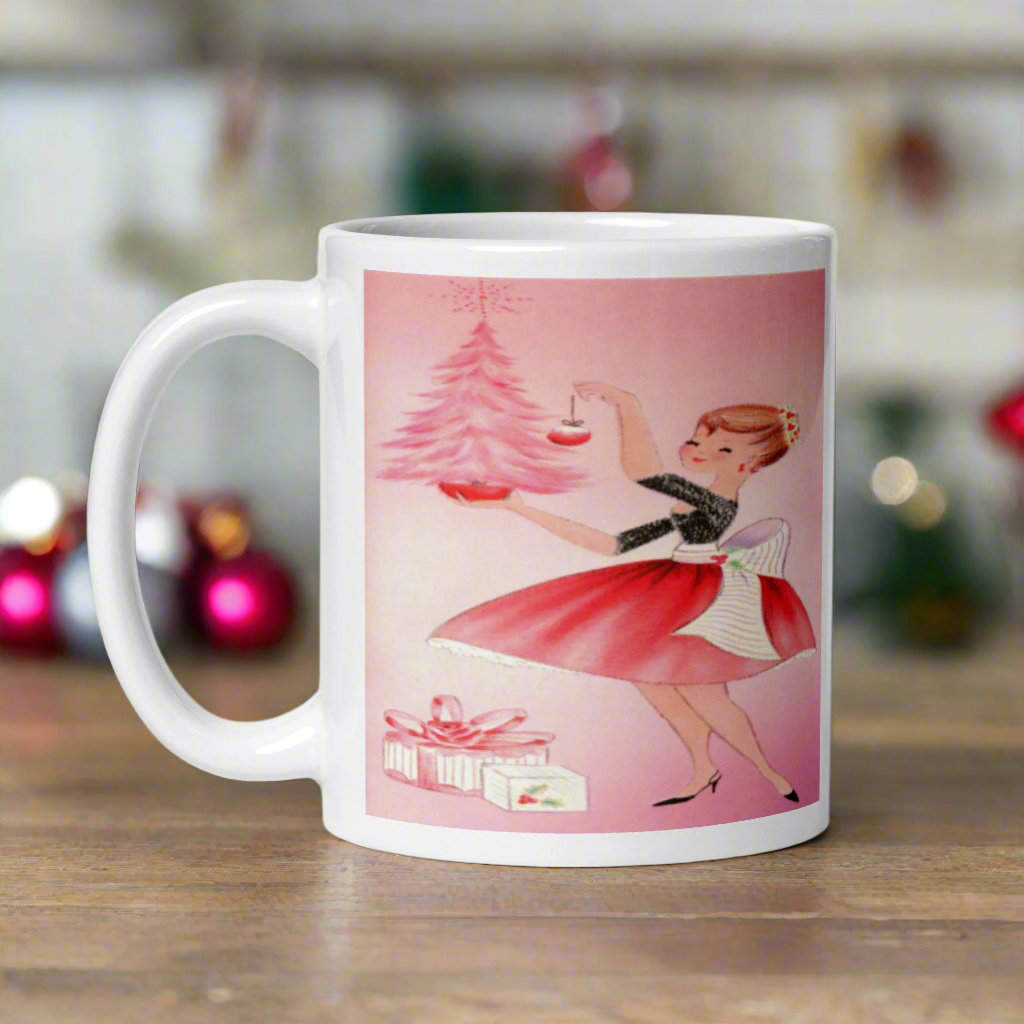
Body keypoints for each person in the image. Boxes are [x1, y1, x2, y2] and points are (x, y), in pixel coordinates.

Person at [430, 382, 815, 806]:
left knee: (706, 693)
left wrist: (626, 404)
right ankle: (704, 767)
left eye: (724, 450)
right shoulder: (694, 505)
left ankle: (769, 771)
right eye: (699, 438)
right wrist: (518, 507)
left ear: (752, 464)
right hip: (675, 585)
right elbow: (612, 545)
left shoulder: (715, 501)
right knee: (656, 683)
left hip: (701, 598)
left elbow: (644, 471)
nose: (699, 448)